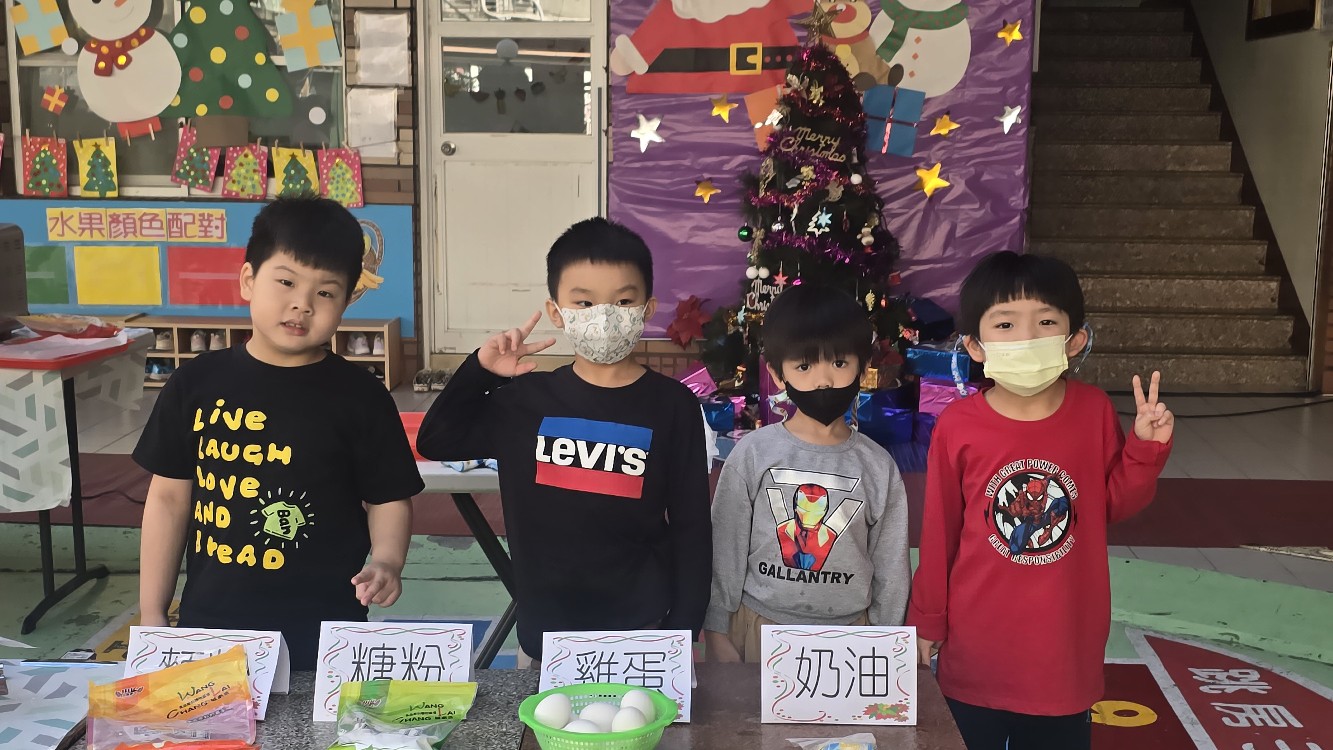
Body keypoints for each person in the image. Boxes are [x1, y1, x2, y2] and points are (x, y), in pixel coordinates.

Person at [134, 198, 424, 669]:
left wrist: (388, 561)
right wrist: (152, 613)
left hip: (325, 627)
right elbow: (168, 500)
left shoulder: (361, 397)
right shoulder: (195, 383)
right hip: (213, 623)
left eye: (325, 292)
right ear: (249, 280)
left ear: (347, 301)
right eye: (286, 282)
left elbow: (388, 497)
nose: (302, 304)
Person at [416, 217, 711, 666]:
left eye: (623, 301)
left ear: (647, 309)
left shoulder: (673, 406)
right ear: (557, 311)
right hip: (546, 636)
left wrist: (683, 630)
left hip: (643, 630)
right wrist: (479, 371)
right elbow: (438, 440)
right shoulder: (524, 401)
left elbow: (692, 527)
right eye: (585, 302)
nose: (604, 315)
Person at [908, 251, 1174, 750]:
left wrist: (1145, 450)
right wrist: (926, 621)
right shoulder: (958, 425)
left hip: (1063, 658)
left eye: (1046, 322)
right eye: (1005, 324)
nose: (1027, 338)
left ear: (1075, 340)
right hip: (975, 652)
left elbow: (1109, 506)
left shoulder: (1093, 411)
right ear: (975, 345)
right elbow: (940, 531)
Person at [704, 284, 910, 663]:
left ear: (862, 366)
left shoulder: (878, 466)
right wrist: (716, 628)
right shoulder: (753, 454)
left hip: (851, 638)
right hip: (759, 629)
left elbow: (891, 567)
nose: (823, 380)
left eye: (839, 363)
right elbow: (725, 548)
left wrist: (887, 641)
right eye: (804, 366)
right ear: (776, 373)